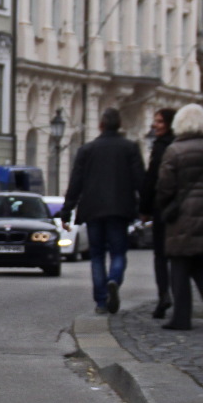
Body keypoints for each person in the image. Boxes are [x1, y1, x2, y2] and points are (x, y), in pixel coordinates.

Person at [154, 103, 203, 331]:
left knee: (179, 263)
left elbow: (165, 187)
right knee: (198, 260)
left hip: (182, 217)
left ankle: (181, 316)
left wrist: (164, 207)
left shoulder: (174, 151)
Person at [60, 107, 144, 314]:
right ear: (120, 125)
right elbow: (141, 181)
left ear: (101, 125)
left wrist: (66, 211)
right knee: (118, 252)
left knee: (96, 255)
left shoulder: (87, 150)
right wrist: (145, 207)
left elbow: (76, 183)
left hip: (93, 209)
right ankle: (114, 280)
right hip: (120, 209)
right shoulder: (130, 148)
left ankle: (101, 300)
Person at [139, 108, 176, 319]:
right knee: (177, 256)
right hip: (179, 208)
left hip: (163, 208)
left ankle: (164, 295)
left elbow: (151, 179)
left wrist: (145, 209)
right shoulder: (177, 143)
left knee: (161, 256)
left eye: (160, 122)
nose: (155, 125)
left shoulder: (161, 147)